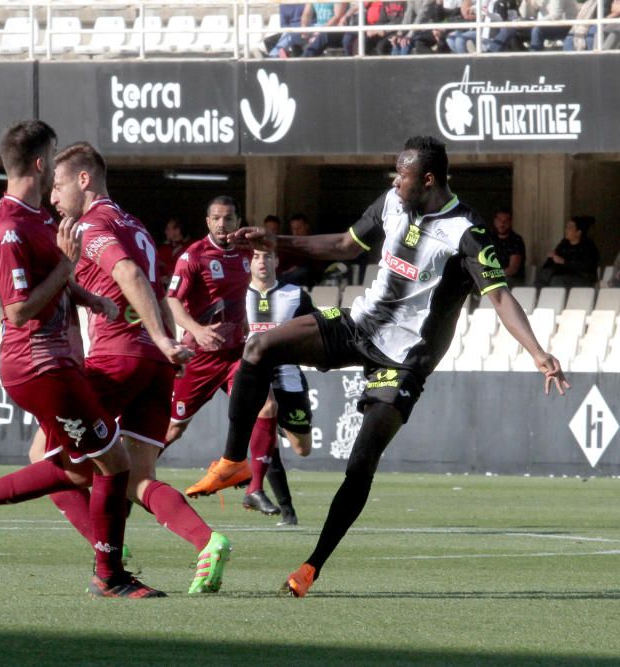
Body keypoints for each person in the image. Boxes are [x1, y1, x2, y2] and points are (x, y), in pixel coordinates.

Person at [185, 136, 570, 596]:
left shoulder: (467, 231)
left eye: (402, 173)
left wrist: (537, 352)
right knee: (258, 348)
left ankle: (310, 567)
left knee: (361, 462)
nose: (394, 179)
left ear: (427, 179)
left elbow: (500, 296)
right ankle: (234, 462)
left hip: (404, 361)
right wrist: (277, 241)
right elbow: (345, 245)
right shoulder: (392, 201)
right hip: (360, 326)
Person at [0, 120, 164, 598]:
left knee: (75, 465)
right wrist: (68, 267)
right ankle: (109, 576)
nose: (57, 171)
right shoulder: (8, 229)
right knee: (113, 462)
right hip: (38, 365)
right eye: (55, 157)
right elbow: (18, 309)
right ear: (41, 163)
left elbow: (58, 278)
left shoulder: (41, 216)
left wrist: (88, 297)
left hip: (60, 362)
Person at [37, 140, 231, 595]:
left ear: (84, 180)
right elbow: (156, 288)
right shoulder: (135, 224)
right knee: (139, 477)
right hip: (154, 365)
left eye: (59, 185)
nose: (52, 196)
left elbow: (128, 275)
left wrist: (166, 337)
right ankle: (208, 540)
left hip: (114, 358)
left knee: (46, 459)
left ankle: (108, 553)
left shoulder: (92, 225)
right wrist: (167, 346)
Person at [164, 196, 251, 449]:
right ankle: (133, 477)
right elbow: (172, 300)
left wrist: (245, 321)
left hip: (236, 353)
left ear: (238, 221)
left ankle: (251, 482)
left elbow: (241, 293)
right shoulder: (194, 256)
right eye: (216, 218)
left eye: (228, 218)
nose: (222, 223)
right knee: (174, 428)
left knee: (264, 409)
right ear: (208, 221)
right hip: (201, 355)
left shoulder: (246, 252)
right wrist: (197, 330)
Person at [242, 247, 318, 525]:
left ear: (277, 260)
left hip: (290, 378)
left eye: (267, 256)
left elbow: (316, 328)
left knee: (302, 448)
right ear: (248, 262)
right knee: (266, 418)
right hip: (253, 379)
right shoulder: (236, 295)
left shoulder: (295, 295)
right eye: (256, 256)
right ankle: (285, 510)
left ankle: (274, 439)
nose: (262, 262)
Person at [535, 216, 599, 289]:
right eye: (566, 227)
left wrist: (564, 262)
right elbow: (555, 259)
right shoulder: (564, 244)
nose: (566, 230)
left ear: (578, 232)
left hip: (582, 278)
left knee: (557, 280)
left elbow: (585, 265)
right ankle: (538, 298)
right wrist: (551, 258)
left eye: (570, 228)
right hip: (563, 274)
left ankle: (556, 299)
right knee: (544, 274)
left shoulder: (588, 246)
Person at [490, 207, 526, 288]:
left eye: (506, 221)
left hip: (512, 279)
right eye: (499, 220)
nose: (502, 223)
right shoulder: (490, 239)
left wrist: (492, 275)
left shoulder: (516, 240)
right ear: (495, 222)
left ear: (510, 222)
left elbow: (512, 269)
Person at [156, 217, 192, 288]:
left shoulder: (191, 247)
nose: (165, 232)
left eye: (168, 229)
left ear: (177, 231)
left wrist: (165, 265)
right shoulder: (163, 248)